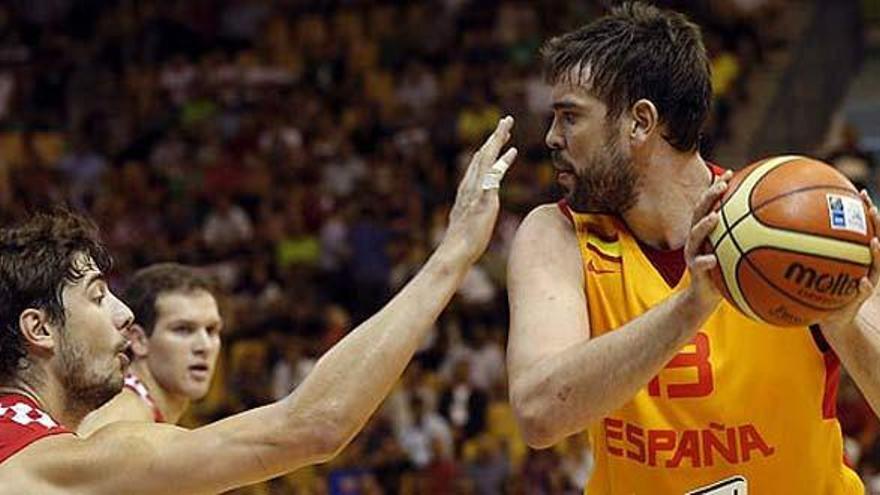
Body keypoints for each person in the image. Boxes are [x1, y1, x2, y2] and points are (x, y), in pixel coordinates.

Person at [0, 117, 517, 494]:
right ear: (38, 329)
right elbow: (314, 425)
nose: (123, 313)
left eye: (212, 329)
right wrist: (453, 255)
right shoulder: (81, 449)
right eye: (97, 297)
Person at [506, 3, 880, 494]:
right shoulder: (555, 236)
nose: (553, 137)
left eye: (570, 116)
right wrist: (691, 304)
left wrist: (842, 319)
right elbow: (539, 415)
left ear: (640, 122)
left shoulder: (794, 226)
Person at [77, 263, 222, 435]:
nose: (204, 346)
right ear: (138, 340)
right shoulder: (125, 415)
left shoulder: (143, 412)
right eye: (183, 329)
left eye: (211, 330)